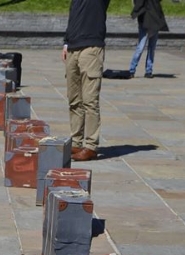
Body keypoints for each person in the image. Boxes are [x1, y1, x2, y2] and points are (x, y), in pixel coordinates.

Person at [63, 0, 109, 162]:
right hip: (73, 47)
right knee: (74, 99)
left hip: (91, 48)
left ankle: (90, 146)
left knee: (90, 101)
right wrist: (66, 42)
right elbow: (73, 16)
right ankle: (75, 142)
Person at [129, 0, 168, 79]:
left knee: (150, 48)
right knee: (142, 47)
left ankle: (147, 71)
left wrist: (135, 12)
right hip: (147, 20)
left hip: (153, 20)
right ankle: (133, 70)